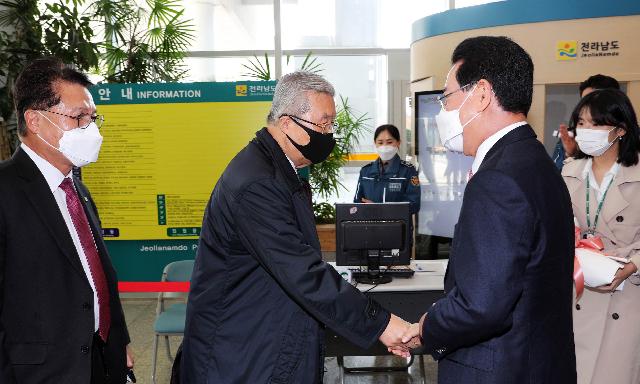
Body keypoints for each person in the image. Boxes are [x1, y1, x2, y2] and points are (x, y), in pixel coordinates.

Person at [181, 71, 414, 383]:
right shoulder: (257, 183)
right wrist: (380, 323)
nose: (330, 134)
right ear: (288, 123)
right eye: (324, 124)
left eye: (332, 125)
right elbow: (302, 272)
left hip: (263, 338)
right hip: (243, 352)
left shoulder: (276, 170)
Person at [391, 36, 577, 383]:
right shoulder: (535, 162)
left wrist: (427, 326)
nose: (442, 112)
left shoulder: (499, 179)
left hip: (499, 369)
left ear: (480, 94)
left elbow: (481, 306)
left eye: (446, 98)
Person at [0, 57, 133, 383]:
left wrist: (119, 340)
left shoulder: (78, 190)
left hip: (99, 361)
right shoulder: (5, 190)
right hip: (38, 371)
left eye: (93, 117)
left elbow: (97, 273)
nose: (91, 128)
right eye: (78, 117)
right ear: (34, 120)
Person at [561, 89, 640, 384]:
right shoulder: (569, 172)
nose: (585, 131)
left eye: (596, 124)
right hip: (577, 292)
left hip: (628, 297)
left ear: (620, 129)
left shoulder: (638, 174)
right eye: (581, 123)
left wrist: (631, 265)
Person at [552, 74, 621, 170]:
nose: (589, 107)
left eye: (595, 101)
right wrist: (571, 154)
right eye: (584, 101)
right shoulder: (571, 136)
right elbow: (554, 177)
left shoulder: (632, 137)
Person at [354, 124, 421, 214]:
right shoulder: (365, 171)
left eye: (389, 142)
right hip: (371, 226)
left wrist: (379, 209)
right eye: (380, 143)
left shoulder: (408, 170)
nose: (384, 146)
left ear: (398, 142)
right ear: (375, 144)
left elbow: (414, 205)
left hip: (398, 226)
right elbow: (357, 203)